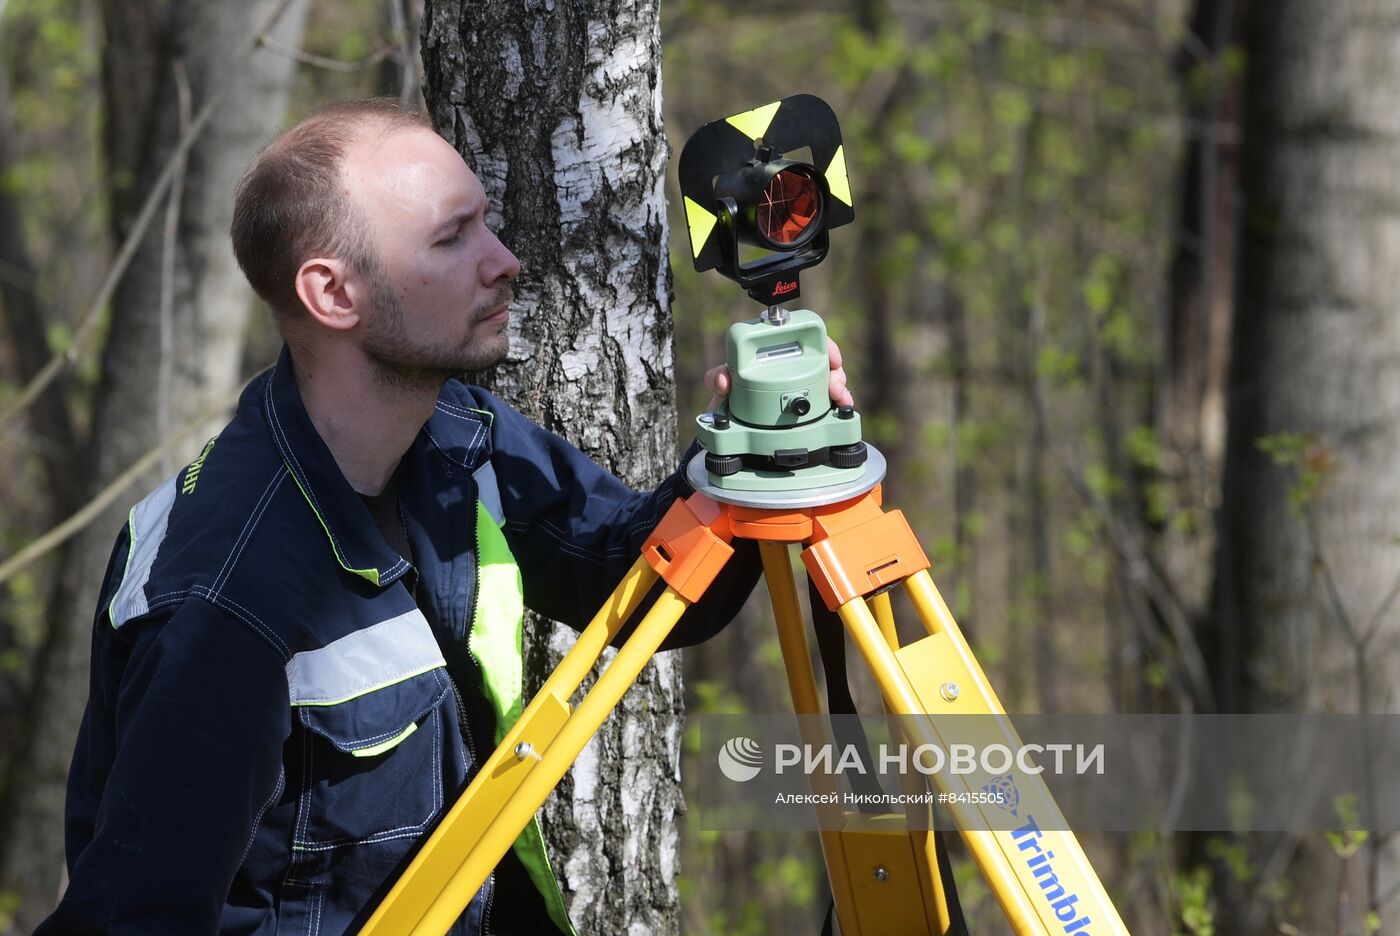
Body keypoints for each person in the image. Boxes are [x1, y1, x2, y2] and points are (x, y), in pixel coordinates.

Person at [37, 99, 853, 935]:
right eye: (451, 238)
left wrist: (745, 464)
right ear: (333, 293)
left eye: (486, 226)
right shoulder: (225, 600)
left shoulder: (457, 438)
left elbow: (639, 579)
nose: (505, 261)